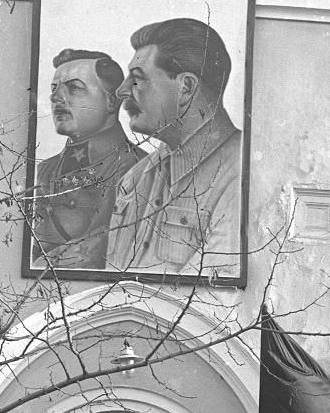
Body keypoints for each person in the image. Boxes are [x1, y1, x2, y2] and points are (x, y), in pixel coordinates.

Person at [106, 17, 242, 276]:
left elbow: (211, 298)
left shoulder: (244, 175)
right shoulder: (133, 180)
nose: (122, 91)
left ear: (186, 87)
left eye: (137, 79)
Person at [33, 48, 145, 269]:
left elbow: (94, 249)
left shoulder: (137, 168)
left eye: (74, 88)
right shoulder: (45, 170)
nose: (55, 97)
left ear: (112, 102)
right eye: (54, 88)